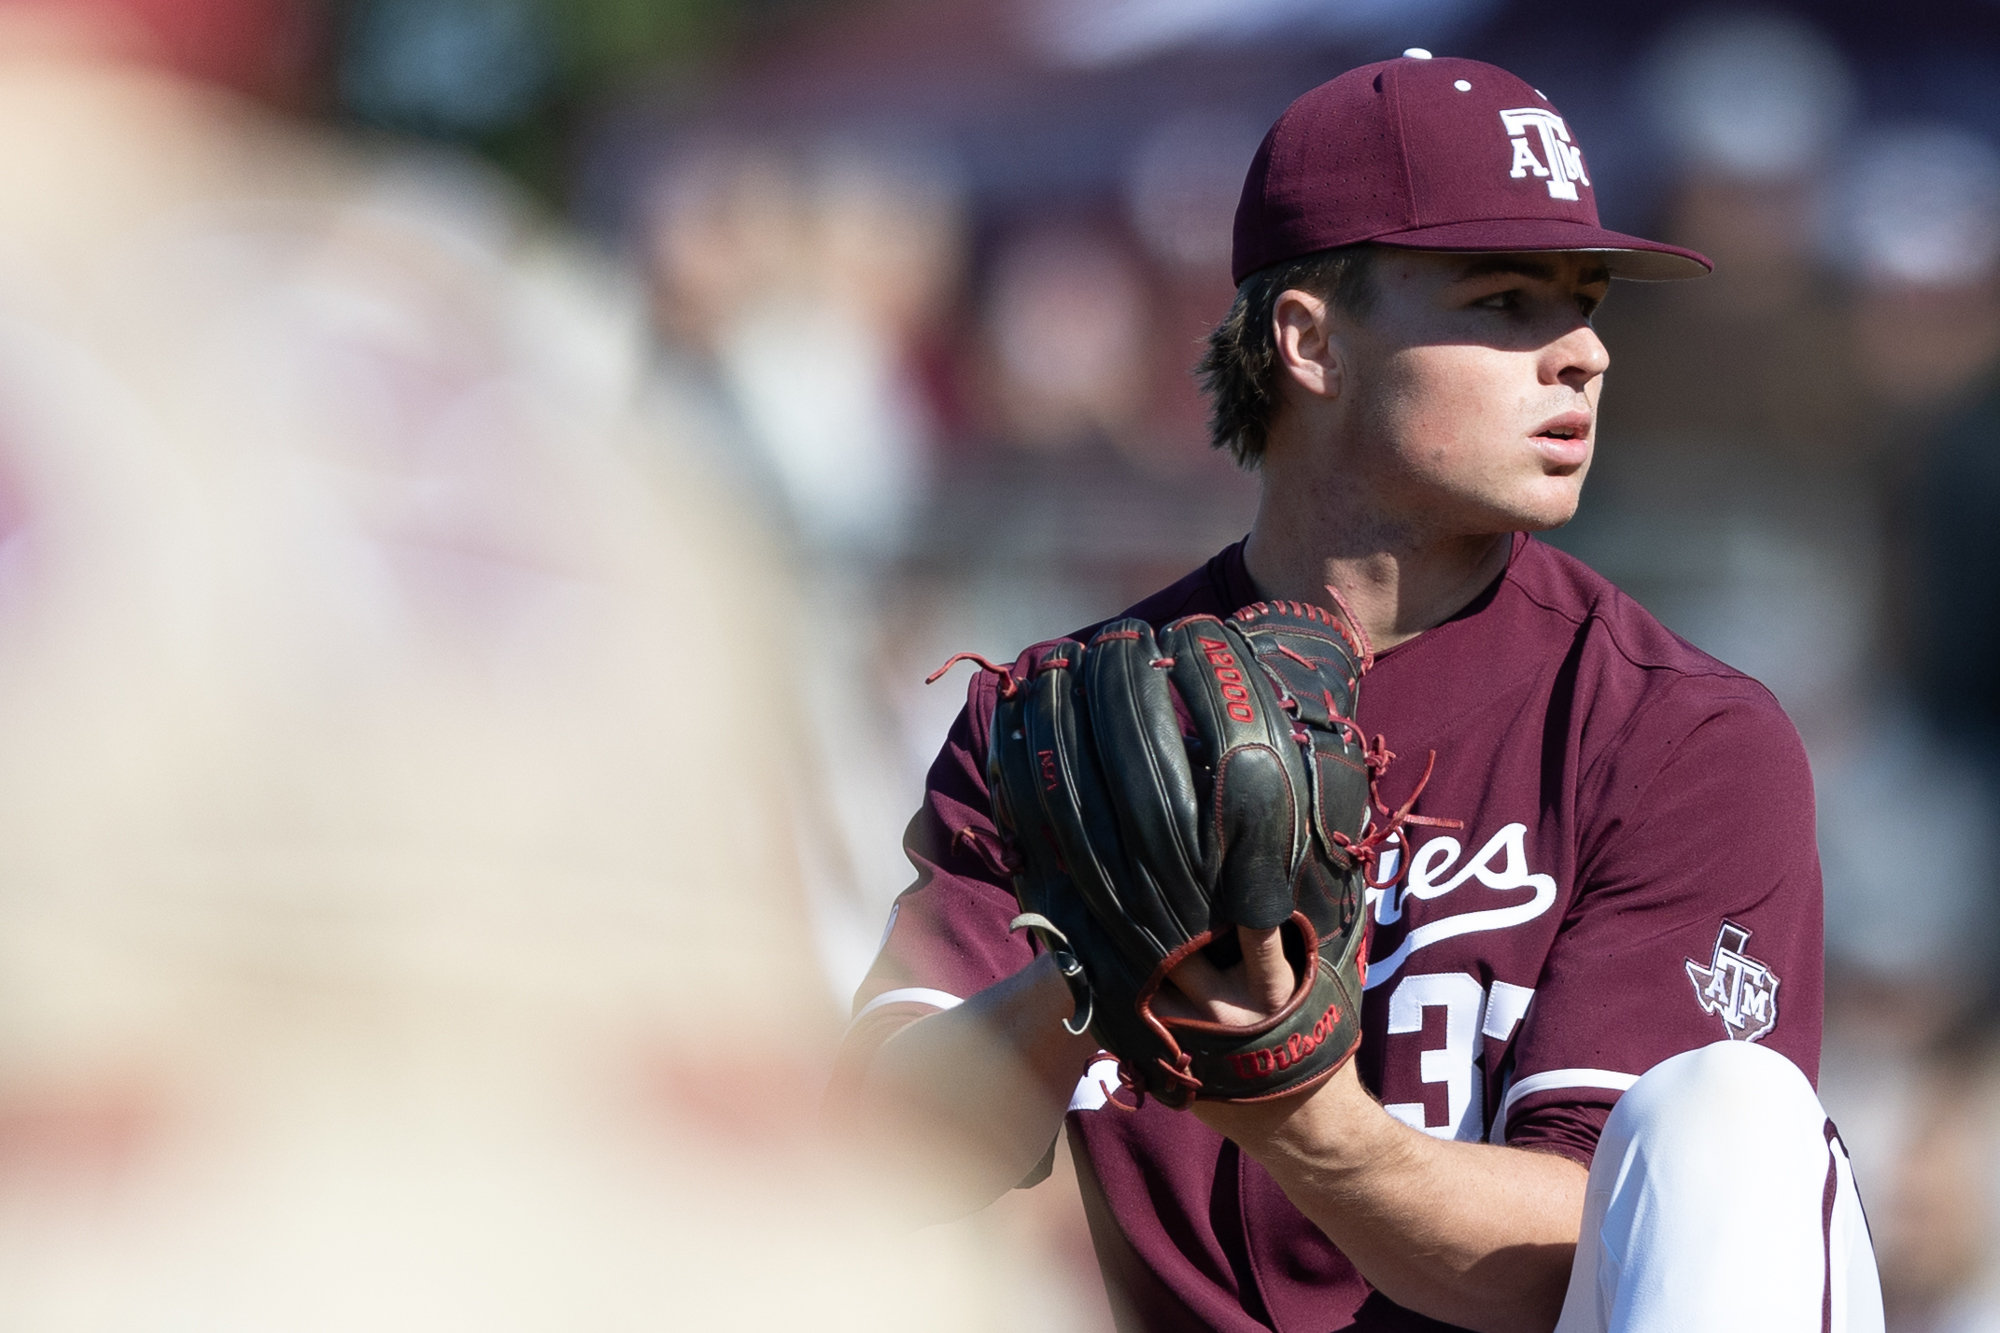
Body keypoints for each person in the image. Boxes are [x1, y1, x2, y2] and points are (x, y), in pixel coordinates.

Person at [829, 54, 1883, 1333]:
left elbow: (1601, 1239)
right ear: (1310, 342)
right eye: (1505, 301)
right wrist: (1095, 975)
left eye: (1584, 302)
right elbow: (869, 1156)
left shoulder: (1671, 731)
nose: (1584, 356)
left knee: (1738, 1114)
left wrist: (1297, 1110)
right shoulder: (1065, 726)